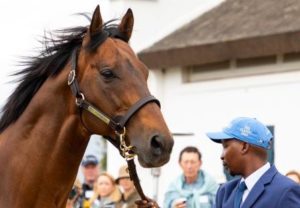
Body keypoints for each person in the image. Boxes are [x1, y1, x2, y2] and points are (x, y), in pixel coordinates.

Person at [206, 117, 300, 208]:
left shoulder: (286, 191)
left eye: (225, 146)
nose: (222, 156)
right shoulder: (225, 192)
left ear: (244, 147)